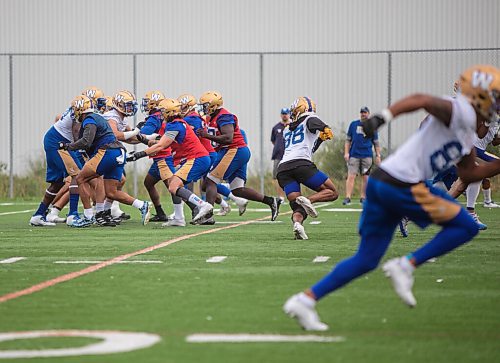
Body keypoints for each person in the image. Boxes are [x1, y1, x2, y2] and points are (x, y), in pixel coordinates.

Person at [283, 64, 500, 331]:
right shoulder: (460, 111)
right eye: (496, 97)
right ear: (480, 95)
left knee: (367, 259)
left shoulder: (467, 130)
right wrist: (381, 117)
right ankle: (407, 265)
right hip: (401, 184)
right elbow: (419, 99)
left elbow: (470, 171)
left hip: (383, 184)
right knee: (465, 226)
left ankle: (304, 300)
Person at [62, 95, 151, 227]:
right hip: (119, 152)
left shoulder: (90, 119)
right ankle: (141, 205)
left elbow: (87, 141)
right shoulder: (98, 117)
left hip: (107, 152)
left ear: (80, 109)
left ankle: (88, 216)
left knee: (80, 179)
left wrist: (68, 146)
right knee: (111, 192)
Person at [196, 91, 282, 223]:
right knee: (237, 190)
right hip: (236, 151)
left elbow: (228, 138)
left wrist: (206, 136)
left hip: (233, 150)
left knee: (210, 181)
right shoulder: (211, 117)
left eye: (206, 105)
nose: (204, 108)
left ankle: (208, 216)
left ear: (214, 105)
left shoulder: (223, 116)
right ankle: (271, 201)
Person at [126, 98, 213, 224]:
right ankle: (179, 218)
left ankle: (202, 205)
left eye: (163, 111)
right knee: (175, 186)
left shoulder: (174, 125)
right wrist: (142, 138)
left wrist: (138, 155)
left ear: (169, 112)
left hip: (196, 158)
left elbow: (160, 146)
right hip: (197, 158)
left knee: (173, 186)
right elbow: (159, 142)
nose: (161, 114)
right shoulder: (177, 123)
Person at [276, 97, 339, 239]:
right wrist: (325, 128)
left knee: (298, 206)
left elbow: (309, 148)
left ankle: (297, 225)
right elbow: (312, 121)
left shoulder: (287, 129)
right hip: (301, 164)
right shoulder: (309, 118)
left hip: (283, 169)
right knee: (333, 192)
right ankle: (308, 199)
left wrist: (321, 139)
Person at [343, 106, 381, 205]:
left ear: (368, 113)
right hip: (354, 154)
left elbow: (376, 143)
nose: (363, 114)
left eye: (365, 112)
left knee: (366, 177)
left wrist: (378, 155)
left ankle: (363, 197)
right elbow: (348, 140)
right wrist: (346, 153)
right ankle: (347, 197)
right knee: (351, 176)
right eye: (362, 112)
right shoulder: (354, 124)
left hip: (367, 155)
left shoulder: (372, 126)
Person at [271, 108, 290, 198]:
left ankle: (292, 194)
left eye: (286, 113)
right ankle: (281, 196)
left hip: (290, 155)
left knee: (292, 175)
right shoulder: (276, 127)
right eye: (283, 113)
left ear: (289, 114)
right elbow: (273, 140)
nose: (284, 115)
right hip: (278, 155)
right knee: (277, 176)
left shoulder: (292, 126)